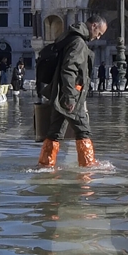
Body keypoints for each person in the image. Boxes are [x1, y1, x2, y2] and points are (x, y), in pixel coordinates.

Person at [37, 15, 108, 168]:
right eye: (99, 33)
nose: (98, 37)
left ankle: (46, 164)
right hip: (71, 95)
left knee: (55, 131)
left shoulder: (68, 36)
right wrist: (70, 97)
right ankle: (88, 165)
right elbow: (69, 70)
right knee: (83, 130)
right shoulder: (79, 43)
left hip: (59, 93)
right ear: (94, 26)